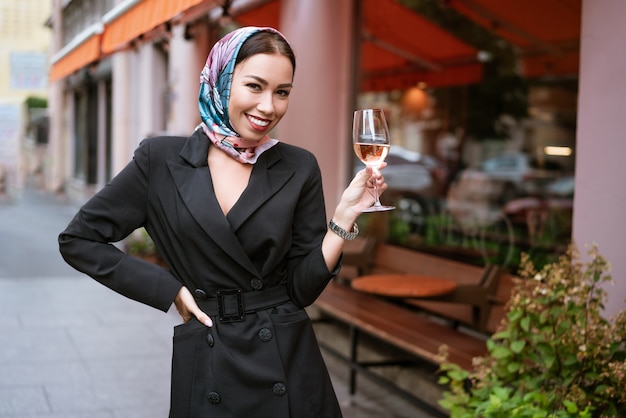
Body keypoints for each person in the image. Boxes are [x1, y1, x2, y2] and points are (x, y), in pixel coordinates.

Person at [59, 26, 387, 418]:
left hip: (286, 355)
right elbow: (78, 239)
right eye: (254, 86)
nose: (268, 106)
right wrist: (170, 290)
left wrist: (343, 218)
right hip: (209, 350)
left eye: (282, 92)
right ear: (221, 79)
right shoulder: (160, 160)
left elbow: (301, 289)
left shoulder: (298, 166)